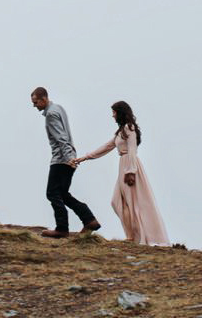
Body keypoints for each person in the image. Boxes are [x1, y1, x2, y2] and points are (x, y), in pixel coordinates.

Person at [71, 100, 170, 247]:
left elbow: (132, 150)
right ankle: (132, 235)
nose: (112, 116)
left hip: (130, 167)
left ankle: (138, 237)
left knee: (134, 203)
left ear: (120, 113)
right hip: (123, 166)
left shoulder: (129, 128)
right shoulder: (121, 131)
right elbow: (106, 147)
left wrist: (131, 171)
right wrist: (84, 158)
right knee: (117, 202)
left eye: (114, 113)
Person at [30, 87, 101, 239]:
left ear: (43, 99)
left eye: (36, 102)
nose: (34, 106)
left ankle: (62, 229)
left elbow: (61, 138)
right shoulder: (58, 108)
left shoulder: (51, 114)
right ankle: (89, 220)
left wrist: (69, 158)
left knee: (52, 193)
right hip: (68, 157)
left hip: (61, 159)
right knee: (63, 194)